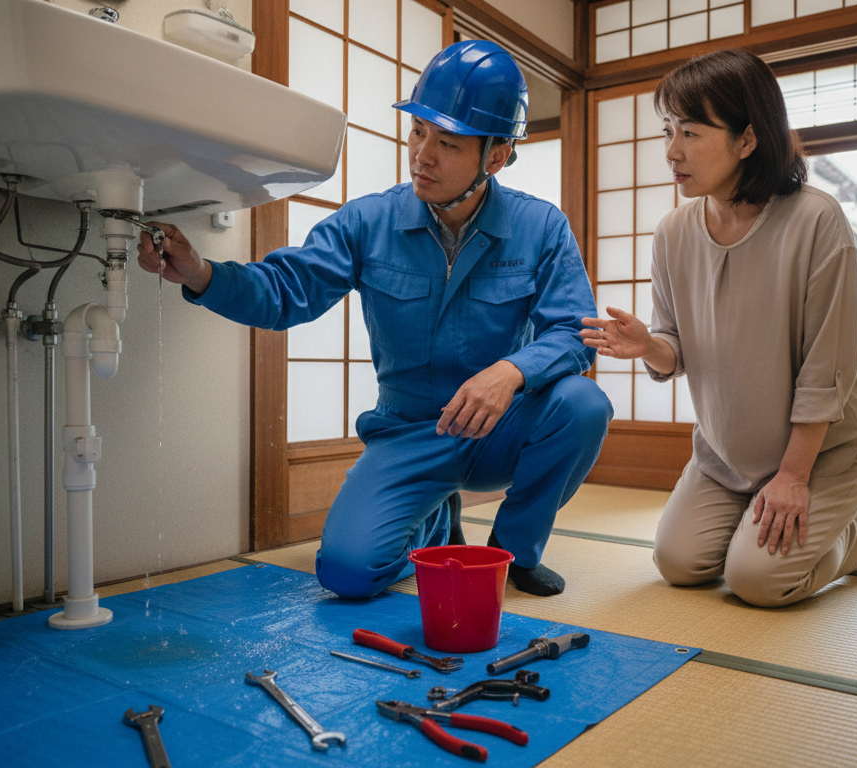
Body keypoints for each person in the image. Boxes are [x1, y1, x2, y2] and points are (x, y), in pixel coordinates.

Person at [138, 40, 611, 598]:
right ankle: (434, 521)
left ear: (497, 156)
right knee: (347, 573)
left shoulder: (542, 227)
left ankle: (512, 552)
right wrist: (200, 273)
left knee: (583, 405)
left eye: (448, 142)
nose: (422, 156)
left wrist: (509, 373)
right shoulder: (367, 221)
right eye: (418, 132)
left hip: (498, 429)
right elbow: (285, 290)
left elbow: (575, 334)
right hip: (410, 432)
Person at [580, 49, 857, 608]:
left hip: (822, 454)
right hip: (727, 456)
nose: (672, 151)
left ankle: (853, 536)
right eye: (668, 131)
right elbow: (675, 347)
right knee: (679, 564)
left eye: (691, 133)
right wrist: (650, 345)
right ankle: (776, 518)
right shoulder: (673, 232)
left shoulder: (817, 221)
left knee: (757, 582)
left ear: (748, 139)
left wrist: (793, 477)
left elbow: (827, 370)